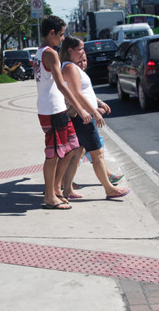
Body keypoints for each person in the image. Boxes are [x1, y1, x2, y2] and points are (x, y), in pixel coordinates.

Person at [60, 35, 130, 200]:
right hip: (82, 116)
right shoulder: (70, 67)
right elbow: (77, 94)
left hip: (82, 115)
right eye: (80, 49)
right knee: (97, 153)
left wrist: (97, 103)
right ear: (70, 50)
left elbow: (85, 92)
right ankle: (109, 188)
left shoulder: (71, 67)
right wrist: (95, 112)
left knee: (78, 152)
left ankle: (67, 189)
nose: (83, 52)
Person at [34, 16, 92, 210]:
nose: (62, 38)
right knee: (53, 155)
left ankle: (56, 188)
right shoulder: (50, 53)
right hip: (52, 110)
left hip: (55, 109)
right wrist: (81, 109)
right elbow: (61, 86)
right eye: (60, 34)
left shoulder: (41, 51)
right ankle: (50, 196)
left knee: (71, 147)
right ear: (51, 33)